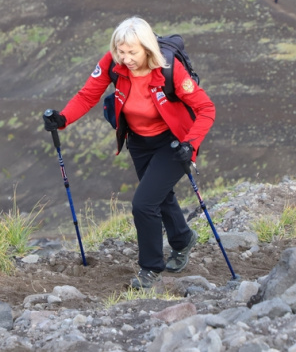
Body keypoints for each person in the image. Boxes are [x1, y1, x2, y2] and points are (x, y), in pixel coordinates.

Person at [42, 17, 215, 289]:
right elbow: (88, 95)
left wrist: (190, 144)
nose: (126, 59)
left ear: (147, 48)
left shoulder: (170, 70)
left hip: (174, 142)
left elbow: (206, 108)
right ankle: (183, 239)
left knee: (144, 204)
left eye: (132, 52)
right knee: (159, 195)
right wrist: (62, 118)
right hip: (138, 141)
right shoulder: (112, 63)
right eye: (121, 52)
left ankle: (150, 270)